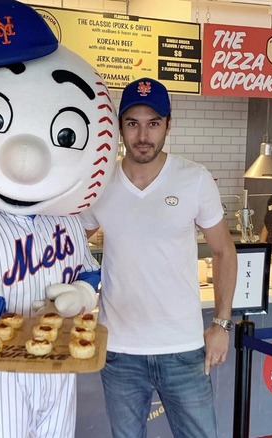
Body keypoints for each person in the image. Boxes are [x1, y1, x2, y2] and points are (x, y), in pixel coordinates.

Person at [0, 1, 118, 436]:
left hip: (58, 369)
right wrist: (50, 317)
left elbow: (89, 275)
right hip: (3, 375)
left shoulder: (67, 218)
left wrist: (80, 295)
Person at [79, 77, 238, 438]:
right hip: (118, 350)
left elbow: (223, 250)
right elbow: (70, 242)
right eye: (132, 124)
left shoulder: (193, 179)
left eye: (153, 123)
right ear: (119, 127)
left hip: (182, 347)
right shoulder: (99, 183)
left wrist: (221, 324)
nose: (143, 135)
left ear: (168, 124)